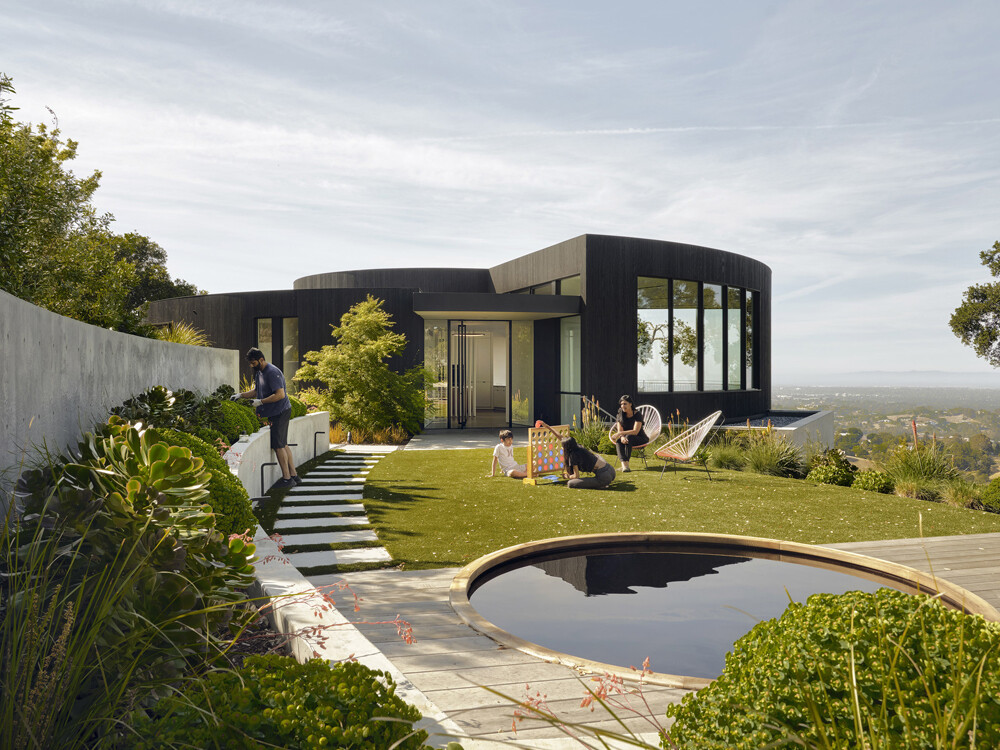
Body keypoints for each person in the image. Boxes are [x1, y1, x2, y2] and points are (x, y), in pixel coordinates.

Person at [232, 347, 300, 489]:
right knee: (283, 443)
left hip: (280, 412)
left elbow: (280, 394)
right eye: (250, 363)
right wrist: (240, 395)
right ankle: (294, 475)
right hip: (276, 412)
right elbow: (257, 391)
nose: (251, 365)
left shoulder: (272, 372)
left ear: (261, 360)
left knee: (278, 446)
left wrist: (261, 402)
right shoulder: (259, 372)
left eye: (253, 363)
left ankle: (287, 479)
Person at [537, 420, 615, 489]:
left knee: (571, 483)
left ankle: (602, 484)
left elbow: (576, 476)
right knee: (597, 457)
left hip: (603, 477)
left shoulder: (572, 456)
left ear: (566, 448)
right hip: (611, 470)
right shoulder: (577, 446)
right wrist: (547, 426)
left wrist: (567, 476)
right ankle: (604, 482)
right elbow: (560, 437)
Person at [611, 394, 648, 473]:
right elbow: (620, 429)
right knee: (619, 441)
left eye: (625, 404)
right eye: (621, 404)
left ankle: (626, 465)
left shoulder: (637, 414)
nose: (622, 406)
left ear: (630, 404)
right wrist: (621, 437)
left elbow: (635, 431)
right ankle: (625, 466)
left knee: (629, 437)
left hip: (640, 438)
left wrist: (620, 433)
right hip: (628, 438)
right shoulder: (620, 414)